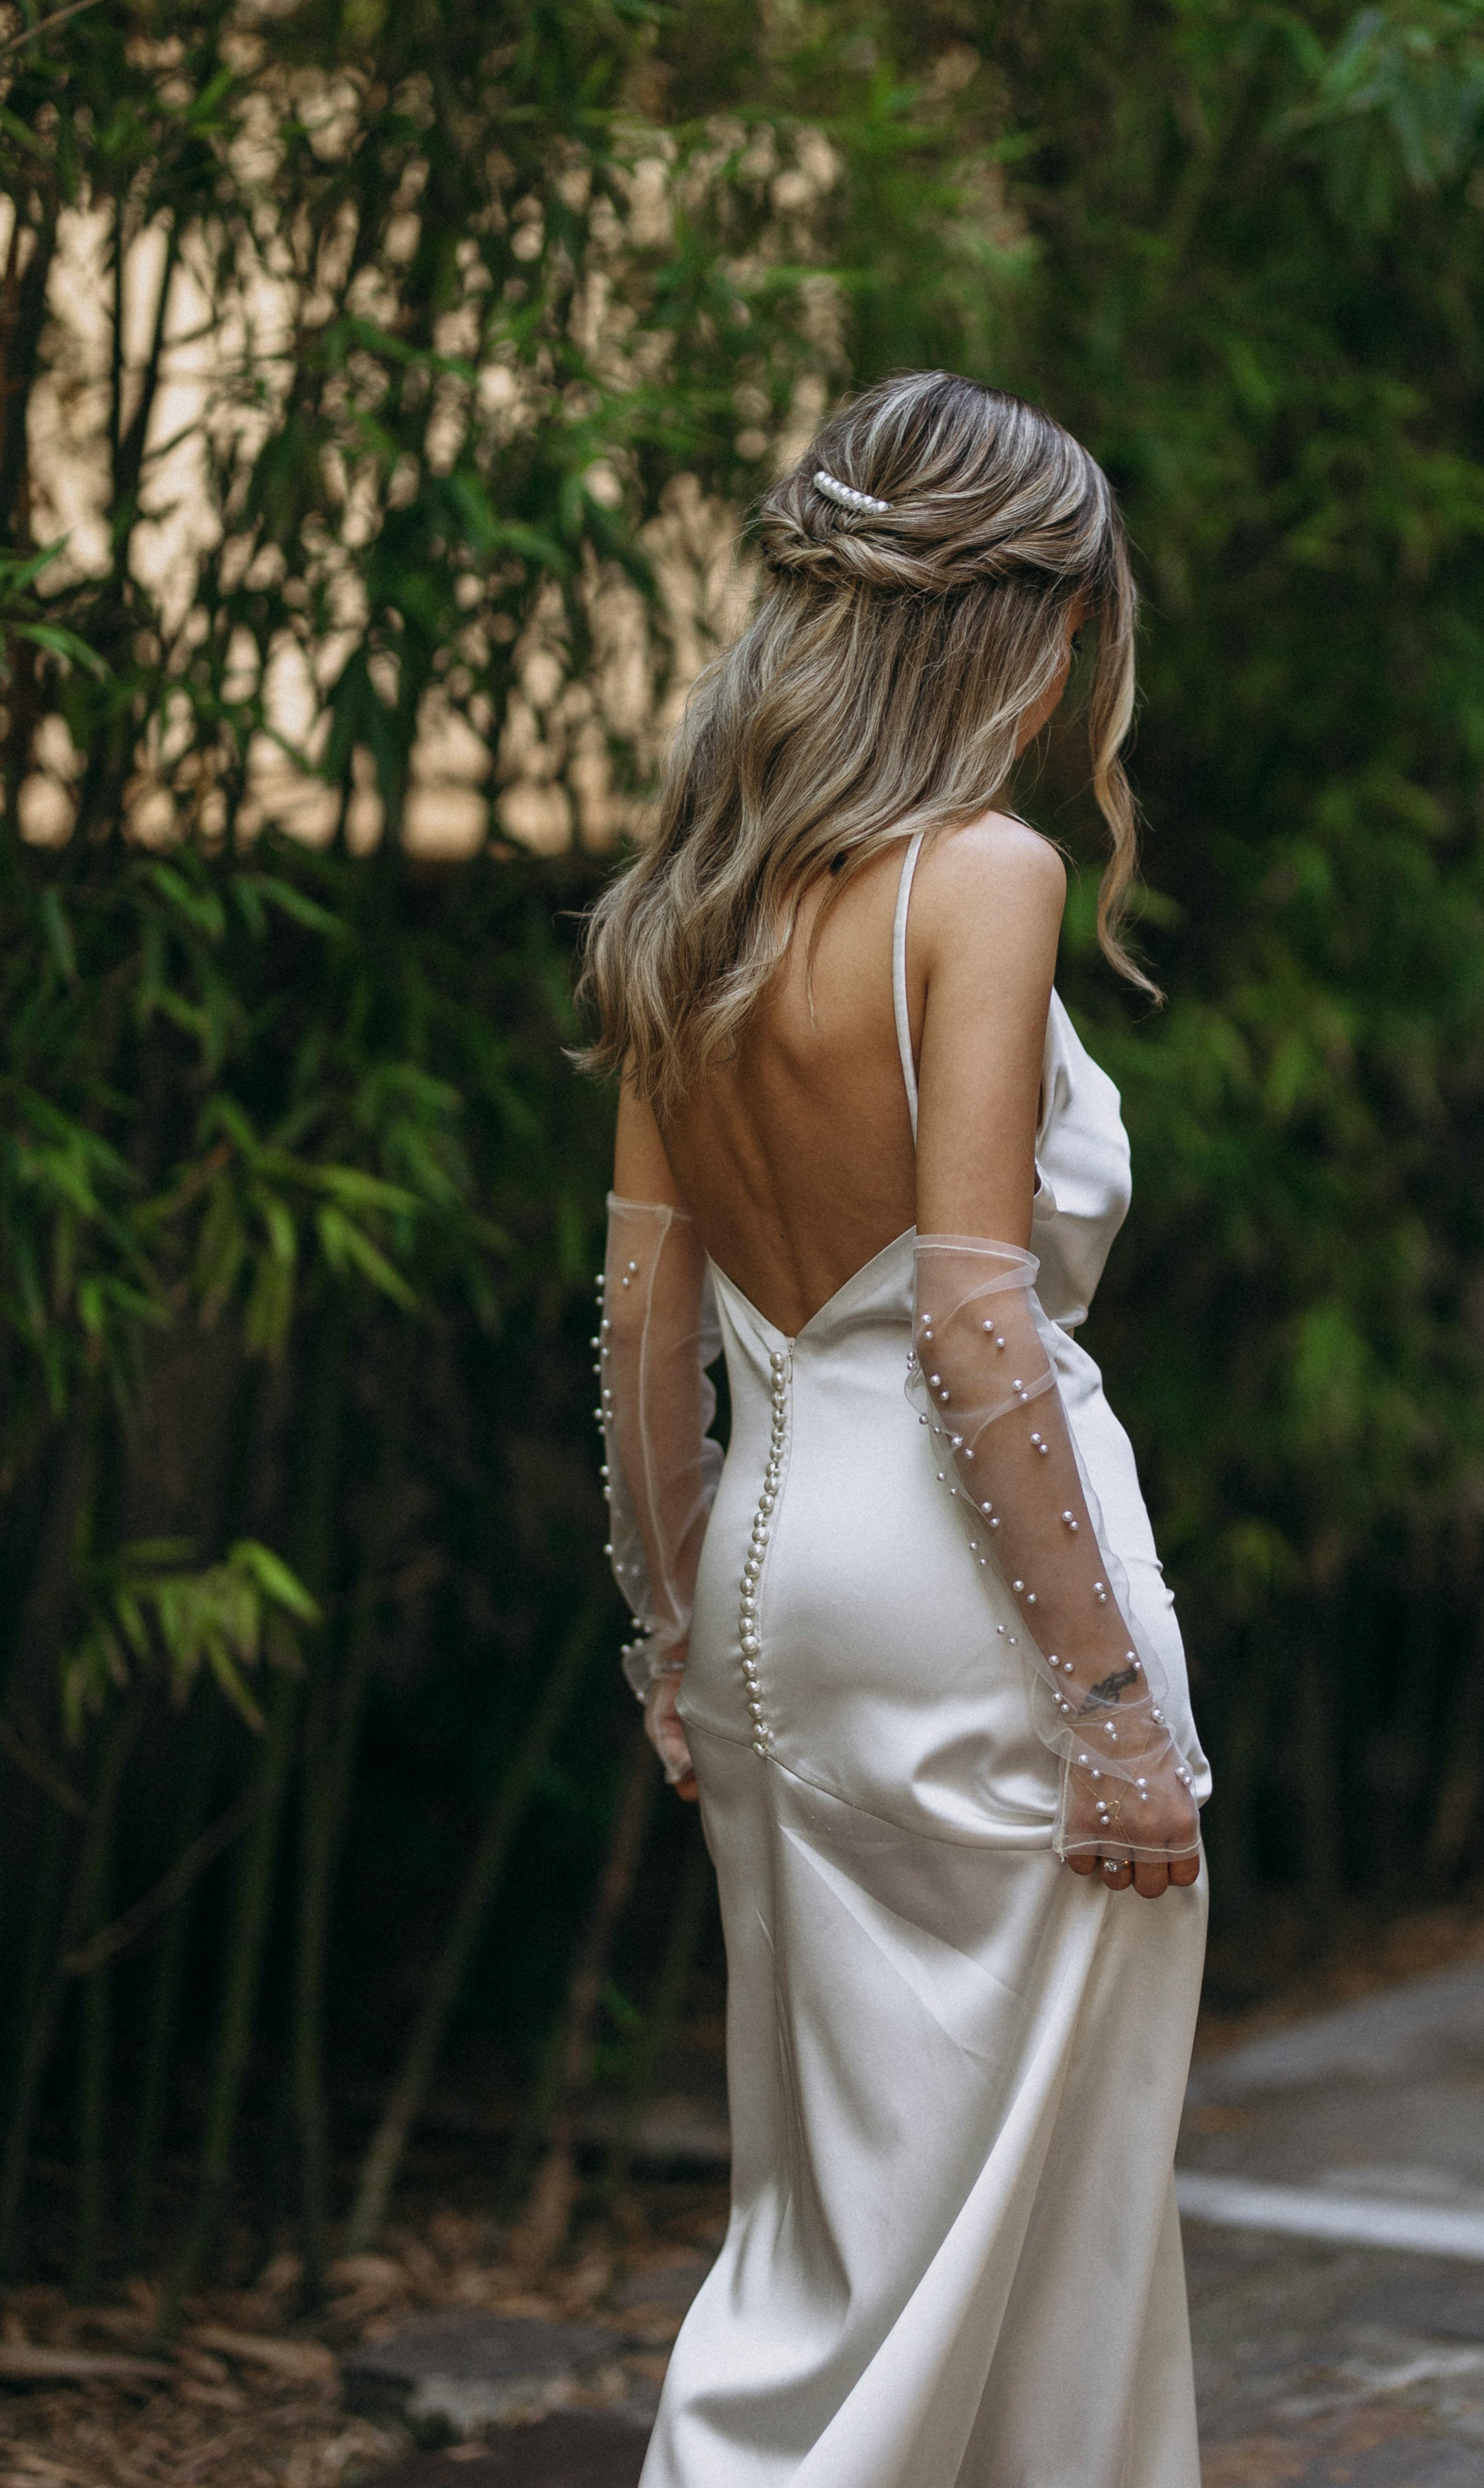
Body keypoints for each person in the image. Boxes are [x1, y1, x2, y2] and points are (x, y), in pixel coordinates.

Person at [580, 370, 1212, 2488]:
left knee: (830, 2228)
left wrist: (671, 1629)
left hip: (771, 1585)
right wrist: (1112, 1696)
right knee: (1036, 2229)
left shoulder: (706, 893)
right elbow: (972, 1319)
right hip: (969, 1604)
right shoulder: (984, 877)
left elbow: (643, 1313)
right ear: (1024, 634)